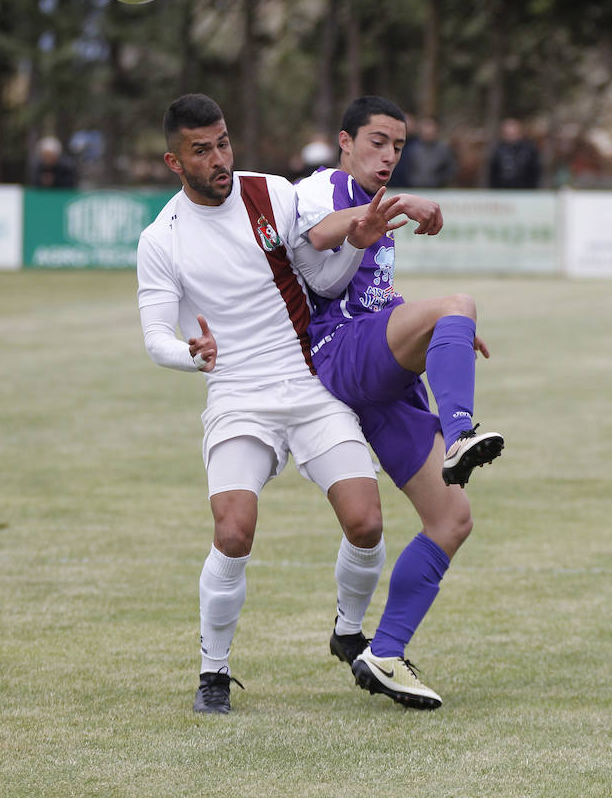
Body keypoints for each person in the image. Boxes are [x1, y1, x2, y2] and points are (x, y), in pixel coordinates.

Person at [136, 94, 407, 715]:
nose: (219, 159)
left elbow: (327, 280)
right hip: (236, 393)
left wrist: (358, 243)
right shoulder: (161, 239)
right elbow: (154, 338)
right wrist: (192, 353)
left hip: (309, 382)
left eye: (224, 142)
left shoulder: (273, 194)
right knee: (233, 530)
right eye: (201, 150)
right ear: (175, 162)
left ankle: (347, 629)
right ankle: (213, 669)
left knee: (366, 522)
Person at [294, 96, 504, 710]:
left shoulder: (377, 209)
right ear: (345, 141)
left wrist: (447, 332)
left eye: (398, 147)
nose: (388, 156)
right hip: (341, 353)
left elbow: (378, 293)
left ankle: (383, 653)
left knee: (452, 520)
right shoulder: (322, 187)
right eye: (378, 141)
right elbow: (316, 237)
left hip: (384, 370)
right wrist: (401, 206)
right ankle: (462, 431)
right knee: (458, 298)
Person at [487, 117, 541, 189]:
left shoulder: (529, 149)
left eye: (513, 133)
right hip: (502, 190)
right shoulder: (498, 150)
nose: (511, 136)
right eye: (507, 133)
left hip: (525, 191)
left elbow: (535, 171)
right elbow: (493, 172)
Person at [405, 116, 457, 188]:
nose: (428, 130)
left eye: (431, 127)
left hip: (438, 190)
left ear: (437, 129)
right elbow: (407, 169)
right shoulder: (412, 149)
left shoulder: (444, 149)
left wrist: (439, 181)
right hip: (415, 189)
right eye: (425, 127)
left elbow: (451, 169)